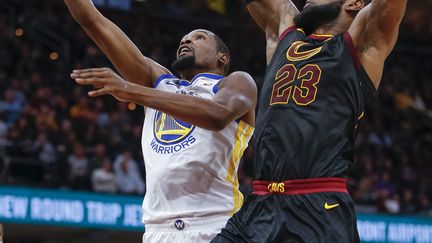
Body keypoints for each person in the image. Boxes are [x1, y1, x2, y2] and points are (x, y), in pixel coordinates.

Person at [212, 0, 407, 242]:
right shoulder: (286, 33)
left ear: (355, 3)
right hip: (259, 203)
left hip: (318, 207)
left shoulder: (361, 42)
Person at [63, 1, 257, 242]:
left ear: (223, 57)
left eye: (199, 38)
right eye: (184, 39)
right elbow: (91, 19)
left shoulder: (236, 82)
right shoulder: (161, 82)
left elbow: (217, 116)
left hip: (216, 223)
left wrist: (130, 90)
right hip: (158, 230)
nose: (186, 41)